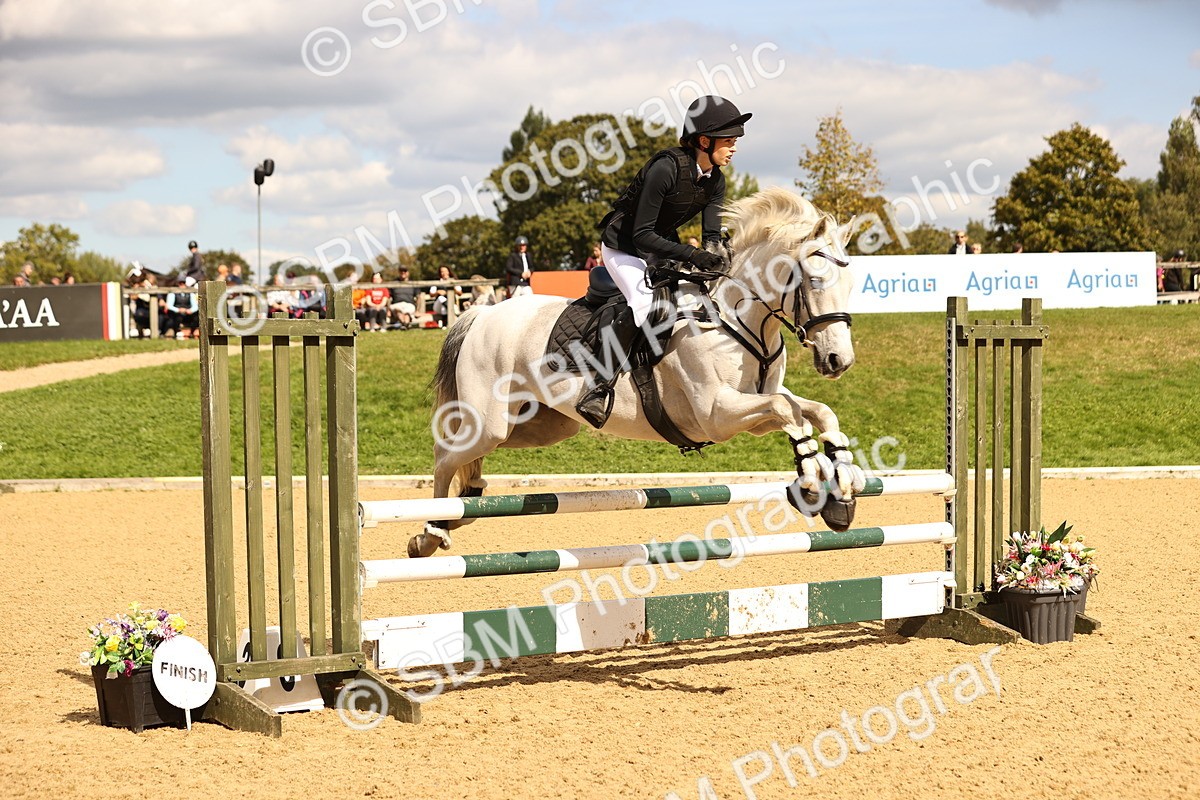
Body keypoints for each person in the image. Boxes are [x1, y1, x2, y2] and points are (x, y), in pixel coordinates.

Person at [576, 94, 749, 425]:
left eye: (734, 141)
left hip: (661, 245)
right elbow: (641, 235)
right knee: (645, 304)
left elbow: (711, 237)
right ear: (704, 140)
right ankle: (598, 389)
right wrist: (693, 254)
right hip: (624, 245)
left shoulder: (716, 180)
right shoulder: (665, 168)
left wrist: (717, 258)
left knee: (694, 298)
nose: (734, 148)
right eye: (728, 141)